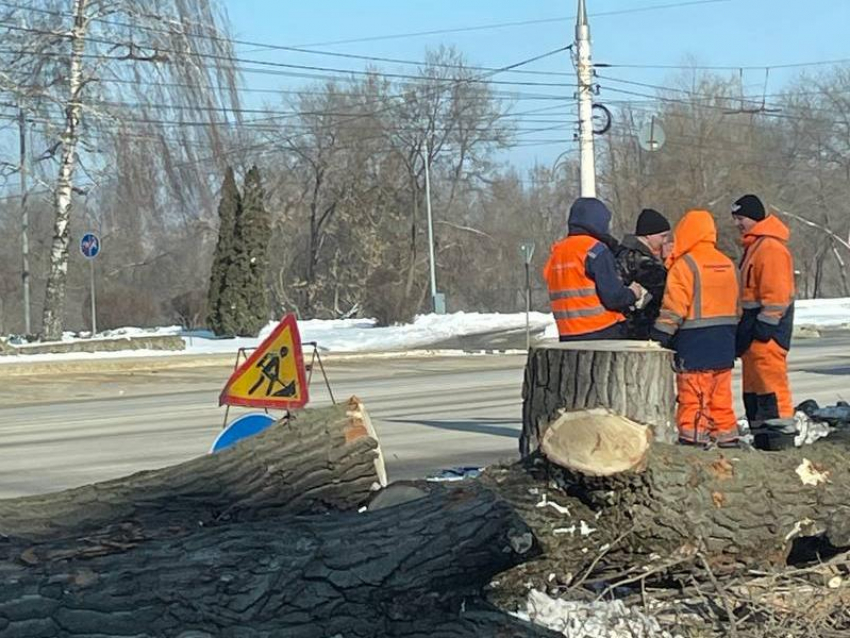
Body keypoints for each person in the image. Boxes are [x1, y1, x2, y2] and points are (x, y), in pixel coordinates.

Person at [652, 210, 740, 446]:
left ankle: (692, 441)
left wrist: (659, 336)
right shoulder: (728, 264)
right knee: (721, 396)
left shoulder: (685, 265)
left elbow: (674, 309)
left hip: (695, 342)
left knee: (694, 398)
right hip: (725, 341)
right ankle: (727, 439)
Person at [732, 194, 795, 426]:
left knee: (772, 388)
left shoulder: (770, 247)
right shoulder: (755, 246)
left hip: (767, 333)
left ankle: (780, 436)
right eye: (735, 219)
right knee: (755, 391)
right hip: (753, 331)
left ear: (755, 218)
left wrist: (766, 325)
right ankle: (762, 436)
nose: (737, 224)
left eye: (741, 218)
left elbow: (777, 292)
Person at [544, 197, 646, 341]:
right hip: (602, 331)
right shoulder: (595, 250)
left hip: (568, 334)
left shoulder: (556, 252)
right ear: (599, 222)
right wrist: (633, 293)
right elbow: (614, 298)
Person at [615, 208, 671, 339]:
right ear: (648, 235)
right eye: (662, 236)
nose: (665, 241)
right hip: (637, 327)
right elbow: (666, 286)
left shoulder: (627, 253)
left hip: (628, 325)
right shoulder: (639, 260)